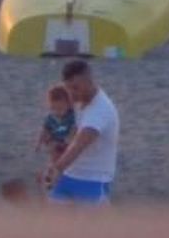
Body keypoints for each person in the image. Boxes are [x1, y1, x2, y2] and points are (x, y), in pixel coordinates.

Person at [41, 58, 118, 205]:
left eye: (76, 88)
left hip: (93, 180)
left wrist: (56, 168)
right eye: (69, 88)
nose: (72, 93)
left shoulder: (101, 110)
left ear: (89, 81)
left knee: (91, 227)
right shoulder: (76, 101)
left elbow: (79, 143)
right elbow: (70, 133)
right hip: (69, 175)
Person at [36, 83, 76, 165]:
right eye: (54, 109)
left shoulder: (71, 116)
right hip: (55, 141)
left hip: (67, 142)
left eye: (60, 109)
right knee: (54, 157)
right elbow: (44, 130)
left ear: (68, 105)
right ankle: (54, 168)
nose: (57, 112)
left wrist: (68, 140)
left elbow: (74, 129)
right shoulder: (50, 118)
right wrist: (39, 143)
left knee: (66, 159)